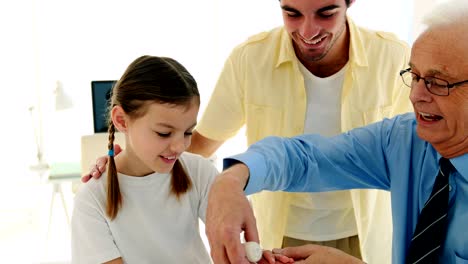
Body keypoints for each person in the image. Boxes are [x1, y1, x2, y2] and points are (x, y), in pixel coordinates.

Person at [82, 1, 411, 262]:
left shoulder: (394, 57)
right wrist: (124, 161)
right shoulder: (250, 59)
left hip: (365, 237)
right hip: (280, 235)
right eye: (291, 13)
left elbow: (415, 152)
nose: (308, 30)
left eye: (325, 13)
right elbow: (198, 143)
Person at [204, 0, 468, 262]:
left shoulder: (387, 55)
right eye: (414, 76)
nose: (415, 95)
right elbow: (306, 158)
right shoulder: (403, 141)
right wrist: (231, 180)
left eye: (436, 82)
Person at [72, 55, 217, 263]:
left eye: (187, 132)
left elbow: (231, 247)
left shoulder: (200, 172)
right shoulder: (92, 199)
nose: (180, 146)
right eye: (164, 133)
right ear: (122, 120)